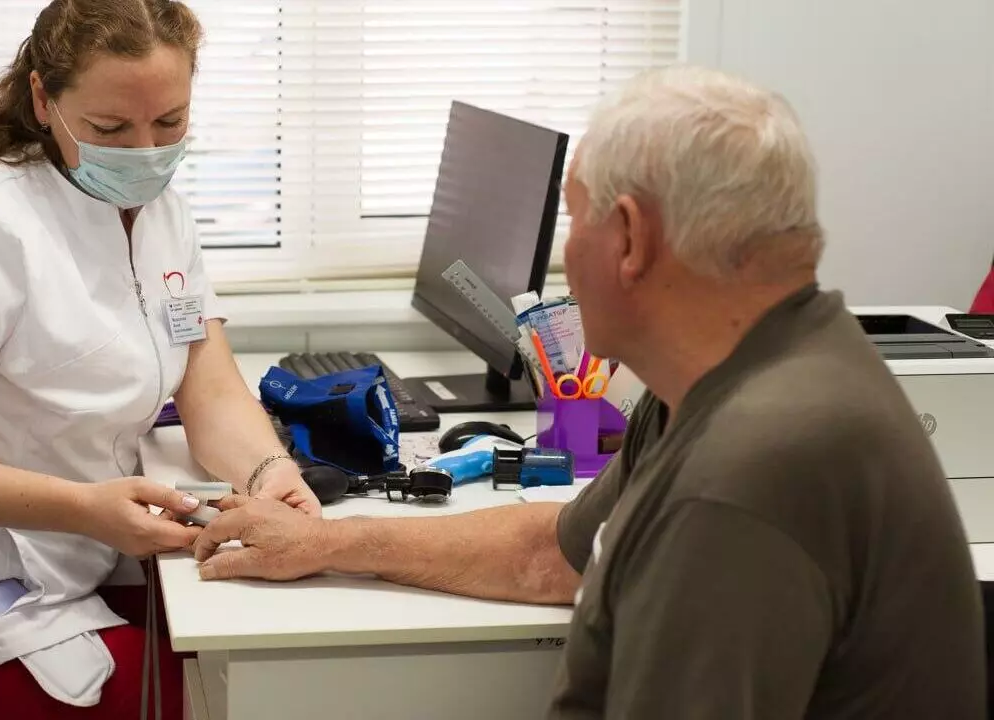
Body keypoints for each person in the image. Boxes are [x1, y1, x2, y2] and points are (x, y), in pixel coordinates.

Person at [193, 66, 987, 719]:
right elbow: (554, 555)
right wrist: (329, 544)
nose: (564, 262)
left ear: (630, 239)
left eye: (575, 222)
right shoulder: (729, 380)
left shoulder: (747, 475)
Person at [0, 1, 319, 717]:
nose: (145, 151)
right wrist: (84, 508)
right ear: (43, 100)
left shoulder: (162, 212)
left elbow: (207, 384)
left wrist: (270, 474)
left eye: (169, 121)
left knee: (271, 648)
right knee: (244, 699)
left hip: (67, 561)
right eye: (110, 129)